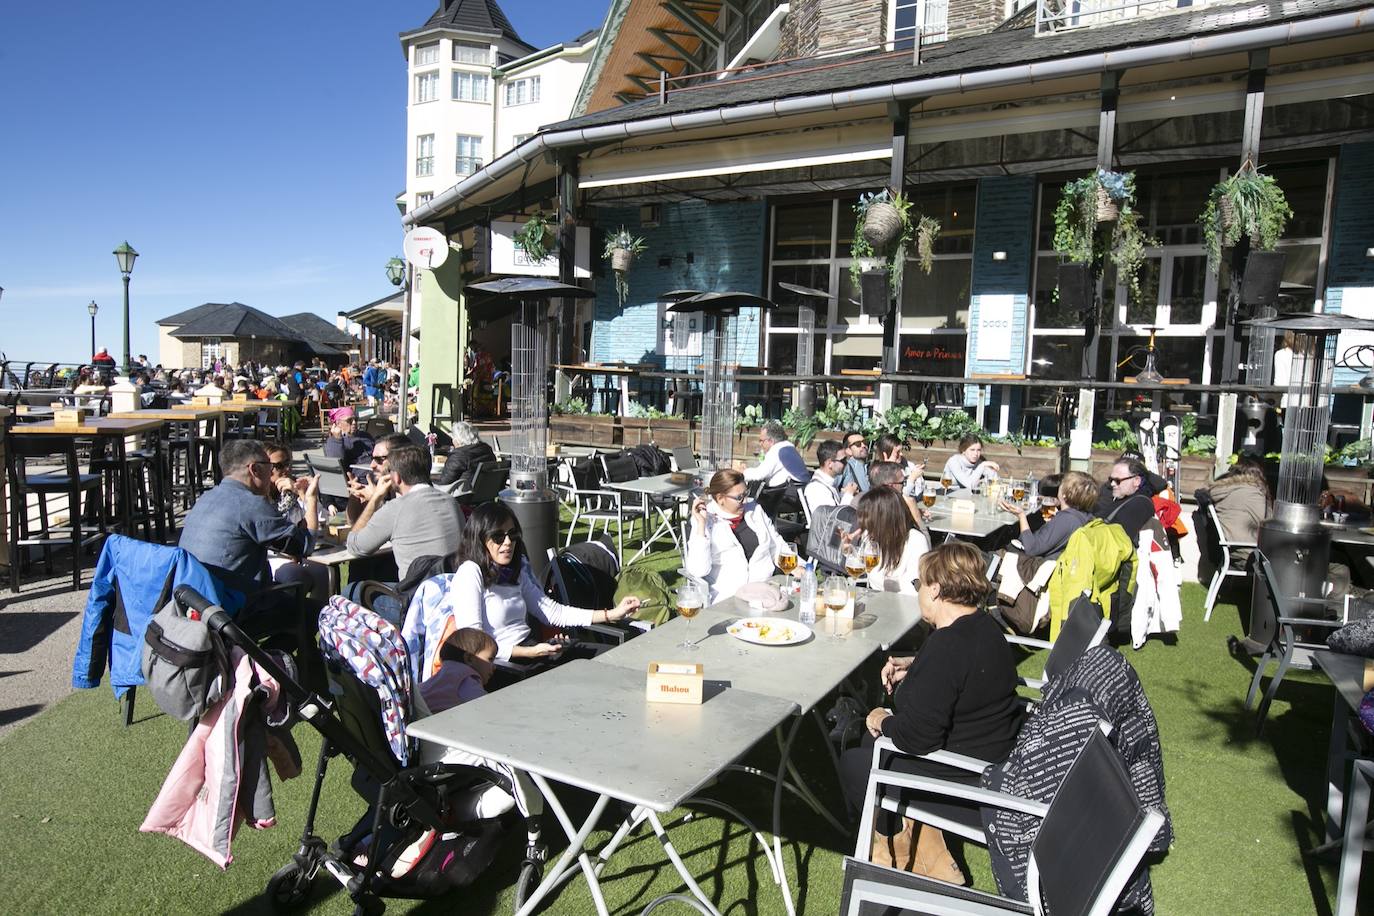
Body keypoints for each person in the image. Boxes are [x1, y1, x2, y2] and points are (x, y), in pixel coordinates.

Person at [840, 542, 1022, 882]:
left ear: (936, 589)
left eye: (920, 584)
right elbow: (958, 680)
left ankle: (903, 853)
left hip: (966, 779)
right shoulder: (984, 628)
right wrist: (916, 666)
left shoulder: (947, 645)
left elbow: (917, 736)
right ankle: (923, 844)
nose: (919, 591)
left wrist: (881, 718)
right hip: (990, 755)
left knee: (855, 761)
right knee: (870, 744)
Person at [405, 502, 640, 666]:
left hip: (534, 651)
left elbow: (552, 612)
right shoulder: (470, 573)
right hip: (503, 664)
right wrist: (529, 652)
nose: (508, 542)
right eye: (498, 537)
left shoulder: (513, 570)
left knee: (612, 660)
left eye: (513, 535)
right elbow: (475, 644)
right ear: (480, 540)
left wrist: (613, 614)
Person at [178, 439, 319, 634]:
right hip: (234, 612)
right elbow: (305, 545)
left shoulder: (205, 499)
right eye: (270, 467)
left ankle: (277, 661)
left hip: (198, 605)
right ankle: (280, 662)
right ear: (254, 469)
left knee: (295, 607)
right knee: (316, 613)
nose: (271, 473)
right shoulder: (251, 505)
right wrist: (311, 499)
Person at [347, 441, 465, 587]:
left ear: (396, 477)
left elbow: (356, 547)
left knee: (352, 589)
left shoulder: (396, 508)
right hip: (453, 592)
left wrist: (375, 498)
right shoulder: (451, 502)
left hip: (415, 600)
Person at [685, 468, 789, 605]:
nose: (745, 501)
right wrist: (701, 526)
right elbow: (698, 570)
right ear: (720, 498)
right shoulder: (706, 520)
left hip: (765, 591)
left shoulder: (755, 510)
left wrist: (798, 566)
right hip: (729, 598)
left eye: (746, 494)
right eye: (739, 497)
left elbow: (776, 544)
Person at [999, 470, 1098, 560]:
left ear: (1065, 494)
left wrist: (1021, 516)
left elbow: (1032, 548)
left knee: (990, 552)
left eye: (1063, 484)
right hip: (1050, 562)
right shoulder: (1082, 516)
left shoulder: (1066, 520)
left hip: (1032, 566)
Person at [847, 487, 928, 595]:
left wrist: (890, 585)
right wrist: (849, 550)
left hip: (900, 605)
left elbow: (916, 589)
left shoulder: (915, 540)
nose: (865, 526)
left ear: (883, 519)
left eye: (869, 521)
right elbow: (862, 567)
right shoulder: (871, 535)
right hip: (875, 597)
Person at [1196, 458, 1270, 562]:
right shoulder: (1253, 493)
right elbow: (1269, 524)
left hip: (1223, 550)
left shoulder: (1221, 491)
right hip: (1247, 553)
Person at [1096, 457, 1156, 540]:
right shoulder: (1123, 497)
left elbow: (1121, 541)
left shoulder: (1139, 505)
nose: (1112, 484)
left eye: (1117, 480)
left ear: (1136, 481)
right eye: (1111, 479)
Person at [803, 439, 859, 512]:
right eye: (842, 460)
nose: (846, 463)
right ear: (829, 463)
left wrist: (845, 494)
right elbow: (833, 520)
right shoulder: (817, 489)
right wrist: (849, 494)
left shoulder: (829, 483)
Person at [438, 421, 497, 489]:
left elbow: (444, 483)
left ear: (457, 440)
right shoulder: (487, 450)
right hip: (485, 493)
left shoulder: (459, 455)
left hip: (462, 496)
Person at [875, 434, 927, 499]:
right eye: (897, 452)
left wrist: (918, 477)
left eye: (901, 450)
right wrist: (912, 478)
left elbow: (920, 492)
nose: (901, 454)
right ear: (885, 455)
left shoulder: (908, 465)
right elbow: (896, 499)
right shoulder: (878, 473)